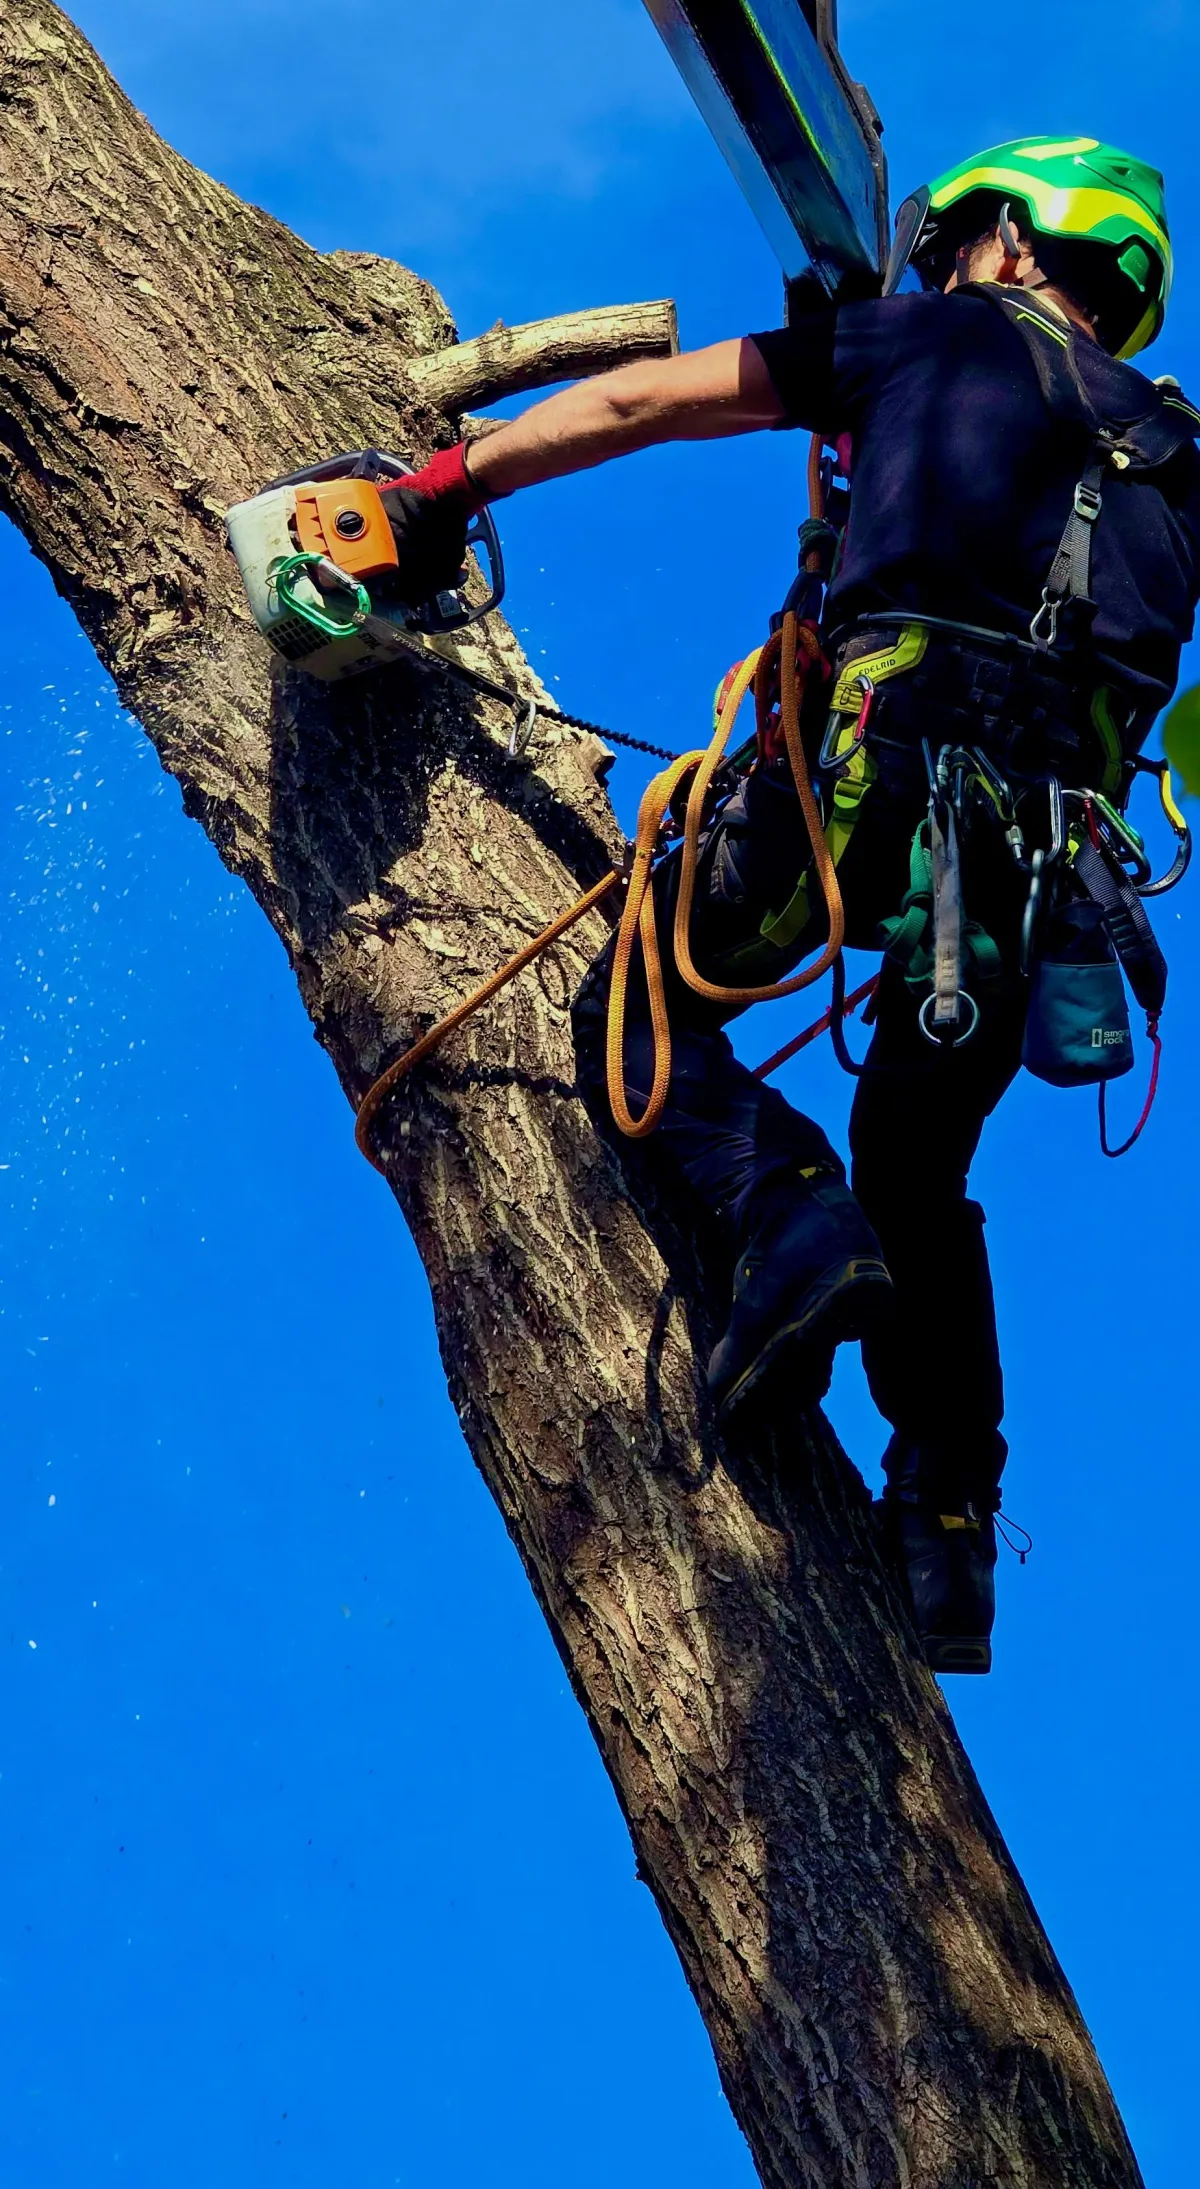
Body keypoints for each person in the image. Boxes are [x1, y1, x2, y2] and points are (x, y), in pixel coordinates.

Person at [384, 138, 1200, 1672]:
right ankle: (949, 1504)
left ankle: (783, 1210)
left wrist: (438, 487)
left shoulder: (937, 335)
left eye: (952, 246)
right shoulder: (1184, 457)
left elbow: (644, 398)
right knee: (924, 1159)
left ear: (1010, 246)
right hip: (1041, 865)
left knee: (632, 997)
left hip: (873, 779)